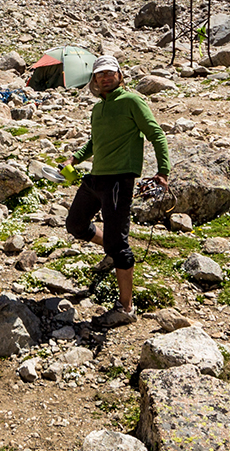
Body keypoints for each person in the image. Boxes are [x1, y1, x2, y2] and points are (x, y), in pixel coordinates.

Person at [66, 56, 170, 327]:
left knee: (120, 245)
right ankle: (110, 250)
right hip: (95, 177)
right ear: (95, 81)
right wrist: (74, 159)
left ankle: (126, 307)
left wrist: (163, 171)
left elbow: (155, 133)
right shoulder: (98, 108)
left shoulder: (132, 101)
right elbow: (94, 141)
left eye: (110, 73)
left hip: (119, 180)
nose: (105, 78)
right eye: (100, 75)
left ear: (120, 75)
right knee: (75, 224)